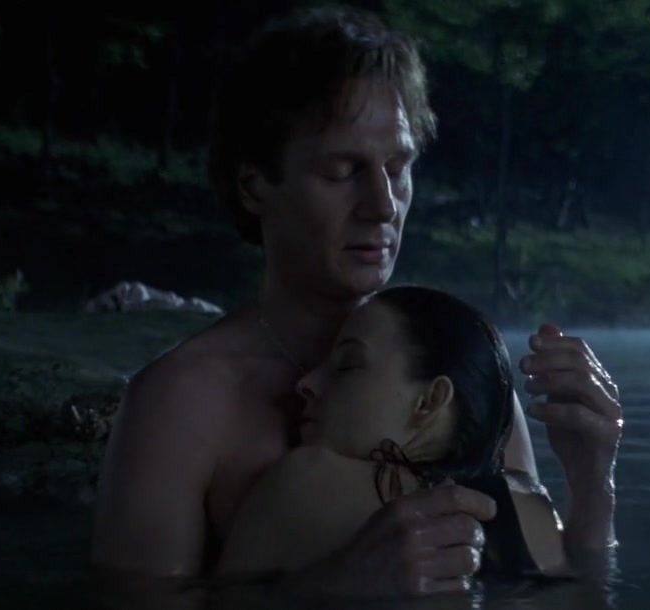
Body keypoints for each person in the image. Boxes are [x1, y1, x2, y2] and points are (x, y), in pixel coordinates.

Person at [88, 6, 622, 599]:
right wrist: (330, 588)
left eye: (397, 167)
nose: (383, 205)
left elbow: (547, 586)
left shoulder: (458, 367)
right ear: (254, 185)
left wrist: (592, 483)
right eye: (343, 172)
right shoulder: (180, 403)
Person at [214, 285, 568, 584]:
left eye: (347, 365)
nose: (306, 383)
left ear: (428, 402)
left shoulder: (302, 483)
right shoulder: (534, 509)